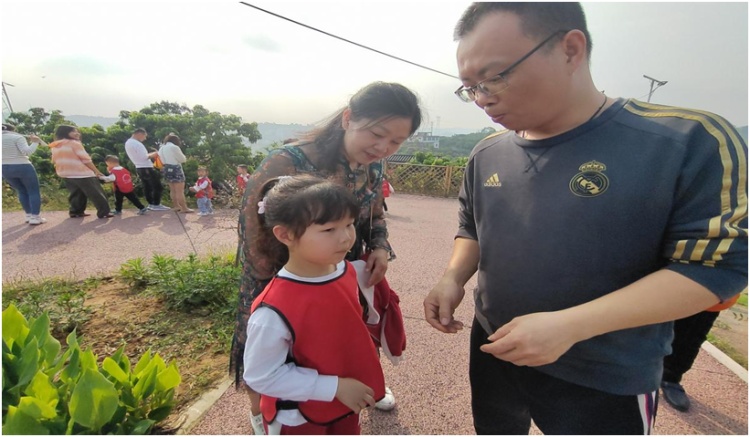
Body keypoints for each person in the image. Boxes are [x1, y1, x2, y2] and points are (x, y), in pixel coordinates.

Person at [423, 3, 747, 435]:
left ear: (571, 49)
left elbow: (715, 268)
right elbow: (473, 226)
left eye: (496, 76)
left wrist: (572, 325)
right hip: (493, 343)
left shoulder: (686, 140)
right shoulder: (487, 153)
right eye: (471, 87)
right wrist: (453, 277)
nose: (483, 98)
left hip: (607, 371)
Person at [233, 81, 421, 435]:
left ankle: (362, 386)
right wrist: (291, 287)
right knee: (276, 348)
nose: (383, 148)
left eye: (396, 142)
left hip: (340, 269)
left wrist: (378, 247)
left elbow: (375, 214)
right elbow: (255, 235)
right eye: (377, 134)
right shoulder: (289, 162)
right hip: (286, 274)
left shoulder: (373, 166)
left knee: (345, 332)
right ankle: (263, 415)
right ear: (349, 118)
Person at [243, 174, 385, 435]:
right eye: (329, 229)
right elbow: (261, 375)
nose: (345, 238)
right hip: (301, 418)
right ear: (285, 234)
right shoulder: (273, 310)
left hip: (343, 403)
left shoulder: (343, 269)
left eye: (349, 224)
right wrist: (335, 387)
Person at [661, 294, 742, 412]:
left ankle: (671, 378)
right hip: (665, 285)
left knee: (691, 336)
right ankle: (638, 369)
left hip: (711, 292)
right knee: (648, 327)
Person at [49, 125, 113, 219]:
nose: (77, 133)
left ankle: (76, 212)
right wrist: (96, 171)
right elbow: (86, 160)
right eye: (73, 131)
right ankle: (104, 212)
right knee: (96, 193)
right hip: (82, 173)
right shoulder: (74, 143)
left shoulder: (55, 145)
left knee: (76, 193)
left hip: (66, 173)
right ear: (65, 133)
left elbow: (54, 160)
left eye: (77, 131)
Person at [2, 123, 47, 225]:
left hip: (4, 168)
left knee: (21, 191)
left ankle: (28, 215)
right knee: (33, 191)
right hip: (23, 166)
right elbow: (27, 152)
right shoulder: (17, 137)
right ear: (12, 129)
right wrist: (35, 142)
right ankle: (35, 217)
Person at [124, 128, 170, 211]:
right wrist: (156, 153)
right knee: (157, 186)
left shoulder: (128, 142)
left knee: (147, 187)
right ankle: (156, 204)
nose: (144, 139)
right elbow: (144, 157)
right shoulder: (137, 144)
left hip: (139, 167)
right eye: (144, 136)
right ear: (139, 134)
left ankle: (151, 203)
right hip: (146, 167)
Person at [159, 133, 192, 213]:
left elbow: (162, 160)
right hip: (176, 168)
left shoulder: (162, 148)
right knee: (180, 191)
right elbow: (183, 159)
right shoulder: (174, 147)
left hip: (166, 168)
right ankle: (184, 208)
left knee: (172, 189)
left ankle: (176, 206)